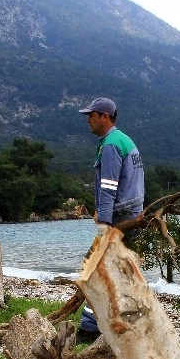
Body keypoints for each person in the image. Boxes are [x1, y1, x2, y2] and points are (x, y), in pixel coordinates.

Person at [76, 97, 145, 343]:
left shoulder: (111, 145)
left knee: (96, 271)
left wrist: (104, 220)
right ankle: (129, 321)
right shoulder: (124, 140)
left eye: (91, 115)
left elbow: (108, 187)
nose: (88, 120)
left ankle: (90, 328)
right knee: (119, 271)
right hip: (133, 214)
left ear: (104, 117)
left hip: (119, 217)